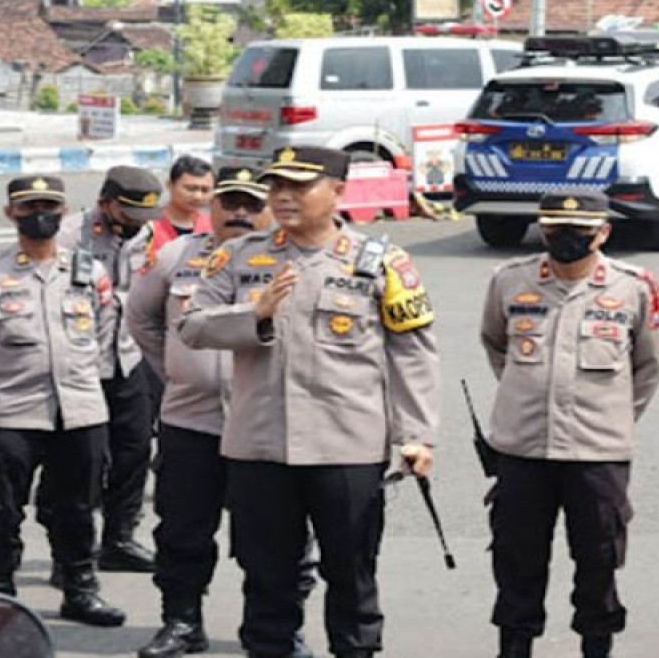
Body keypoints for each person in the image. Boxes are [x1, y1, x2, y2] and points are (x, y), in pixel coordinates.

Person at [178, 146, 439, 658]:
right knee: (267, 578)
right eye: (277, 187)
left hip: (346, 448)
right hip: (260, 448)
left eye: (300, 187)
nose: (284, 197)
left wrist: (416, 435)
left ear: (338, 192)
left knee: (352, 575)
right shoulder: (239, 256)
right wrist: (255, 313)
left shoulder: (381, 262)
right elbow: (190, 327)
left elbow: (412, 352)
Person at [479, 189, 659, 658]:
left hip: (597, 452)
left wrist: (612, 415)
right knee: (516, 559)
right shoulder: (508, 281)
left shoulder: (633, 287)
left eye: (578, 232)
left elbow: (649, 366)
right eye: (555, 230)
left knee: (599, 558)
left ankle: (597, 645)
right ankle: (515, 646)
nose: (564, 239)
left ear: (602, 233)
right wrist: (530, 393)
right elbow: (496, 345)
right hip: (523, 449)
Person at [128, 168, 276, 657]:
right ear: (208, 207)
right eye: (228, 202)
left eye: (251, 205)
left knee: (269, 537)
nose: (239, 213)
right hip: (191, 421)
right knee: (182, 530)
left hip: (263, 423)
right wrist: (178, 370)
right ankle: (182, 621)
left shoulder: (286, 261)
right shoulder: (177, 257)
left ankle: (270, 632)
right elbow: (143, 319)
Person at [0, 176, 125, 627]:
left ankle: (79, 589)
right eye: (29, 206)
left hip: (80, 409)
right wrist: (0, 382)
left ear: (64, 211)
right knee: (3, 506)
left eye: (50, 206)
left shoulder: (88, 270)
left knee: (78, 506)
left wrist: (79, 381)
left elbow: (103, 334)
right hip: (13, 410)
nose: (41, 214)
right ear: (10, 213)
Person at [46, 166, 163, 574]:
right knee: (82, 463)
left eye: (144, 216)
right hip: (81, 366)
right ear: (105, 203)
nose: (137, 224)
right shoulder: (68, 235)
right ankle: (70, 553)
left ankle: (119, 538)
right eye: (129, 213)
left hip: (129, 359)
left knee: (133, 452)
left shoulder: (144, 234)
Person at [143, 155, 214, 258]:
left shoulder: (212, 226)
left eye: (205, 190)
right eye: (190, 189)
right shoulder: (148, 225)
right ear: (169, 185)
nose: (198, 196)